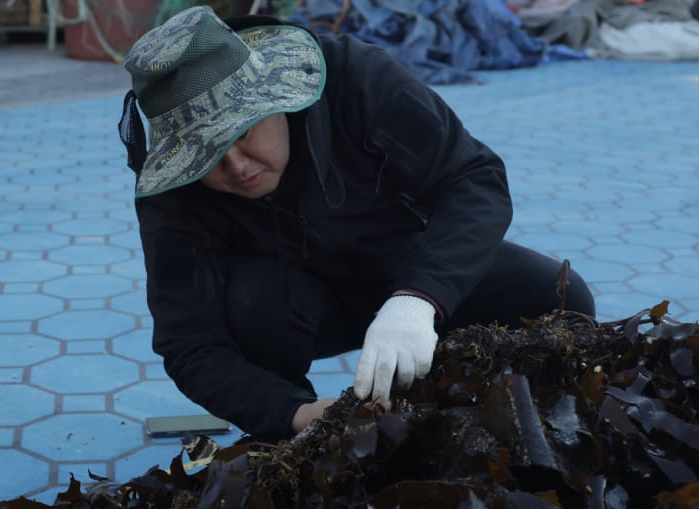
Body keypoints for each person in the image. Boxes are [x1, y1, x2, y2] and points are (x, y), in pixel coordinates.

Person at [118, 7, 595, 442]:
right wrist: (293, 413)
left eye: (244, 133)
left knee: (561, 298)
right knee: (248, 300)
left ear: (277, 99)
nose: (238, 166)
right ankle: (291, 440)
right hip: (287, 301)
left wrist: (419, 299)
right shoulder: (173, 191)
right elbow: (191, 344)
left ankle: (510, 426)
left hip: (401, 262)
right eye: (207, 156)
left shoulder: (353, 75)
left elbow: (475, 178)